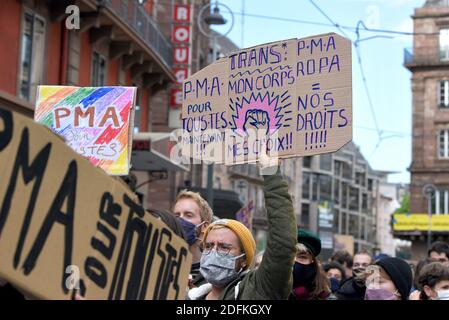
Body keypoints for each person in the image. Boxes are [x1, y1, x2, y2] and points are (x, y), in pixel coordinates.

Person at [187, 165, 296, 300]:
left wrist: (270, 171)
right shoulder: (190, 296)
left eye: (224, 247)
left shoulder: (256, 290)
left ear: (243, 260)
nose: (213, 252)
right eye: (208, 246)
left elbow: (282, 246)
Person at [172, 190, 213, 279]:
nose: (180, 220)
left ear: (204, 227)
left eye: (188, 215)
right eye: (177, 216)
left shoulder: (212, 275)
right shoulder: (162, 266)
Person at [290, 230, 331, 300]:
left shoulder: (324, 296)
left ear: (312, 262)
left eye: (302, 257)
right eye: (289, 256)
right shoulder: (270, 290)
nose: (294, 261)